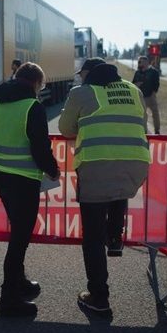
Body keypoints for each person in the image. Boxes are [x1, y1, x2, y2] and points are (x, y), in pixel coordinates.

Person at [58, 61, 149, 315]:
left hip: (97, 165)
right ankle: (115, 237)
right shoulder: (133, 90)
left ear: (88, 74)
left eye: (82, 74)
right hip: (136, 163)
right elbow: (141, 122)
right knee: (119, 190)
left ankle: (98, 296)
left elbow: (65, 129)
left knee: (92, 237)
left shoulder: (82, 92)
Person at [0, 62, 60, 318]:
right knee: (19, 242)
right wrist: (53, 170)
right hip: (23, 181)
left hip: (0, 176)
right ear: (37, 84)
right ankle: (9, 301)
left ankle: (20, 283)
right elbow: (40, 147)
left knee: (18, 235)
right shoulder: (33, 107)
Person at [132, 55, 161, 134]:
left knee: (155, 114)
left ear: (147, 62)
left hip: (151, 97)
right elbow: (133, 83)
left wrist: (154, 93)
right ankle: (144, 131)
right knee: (143, 115)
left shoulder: (154, 72)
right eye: (139, 62)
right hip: (141, 97)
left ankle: (157, 130)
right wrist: (137, 84)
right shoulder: (137, 73)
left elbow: (157, 84)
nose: (140, 63)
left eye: (142, 62)